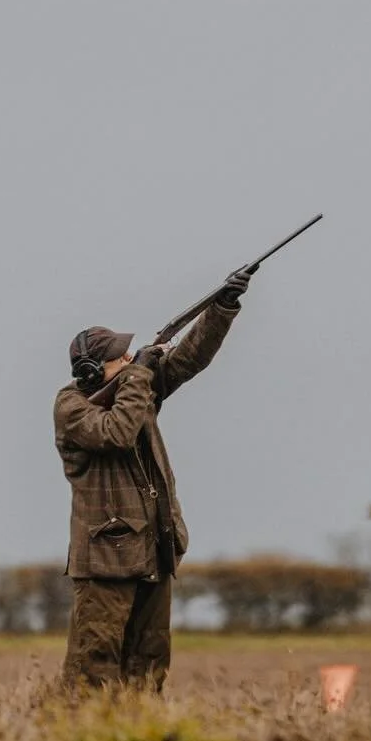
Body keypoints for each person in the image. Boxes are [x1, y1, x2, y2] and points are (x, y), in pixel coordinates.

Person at [54, 269, 250, 691]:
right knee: (95, 667)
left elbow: (188, 359)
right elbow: (117, 433)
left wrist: (222, 308)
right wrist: (140, 373)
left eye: (129, 356)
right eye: (118, 358)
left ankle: (140, 739)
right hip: (107, 561)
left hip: (151, 551)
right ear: (91, 371)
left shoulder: (133, 390)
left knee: (148, 663)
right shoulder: (71, 408)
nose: (128, 360)